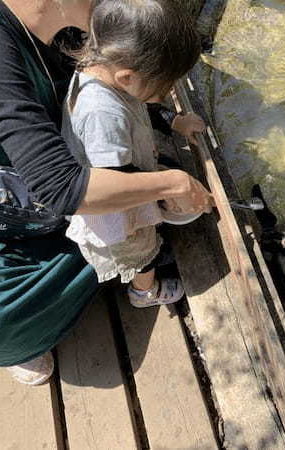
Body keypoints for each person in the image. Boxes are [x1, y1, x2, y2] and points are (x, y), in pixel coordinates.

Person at [0, 0, 213, 385]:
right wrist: (172, 183)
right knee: (120, 244)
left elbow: (126, 95)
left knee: (119, 230)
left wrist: (167, 119)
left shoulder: (87, 32)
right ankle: (24, 335)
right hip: (14, 206)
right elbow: (64, 188)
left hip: (57, 180)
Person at [63, 0, 205, 308]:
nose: (166, 94)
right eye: (163, 88)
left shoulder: (102, 68)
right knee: (141, 251)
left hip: (125, 170)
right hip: (116, 210)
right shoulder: (103, 114)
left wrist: (174, 120)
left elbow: (140, 104)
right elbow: (115, 181)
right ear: (128, 77)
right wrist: (163, 193)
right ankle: (145, 291)